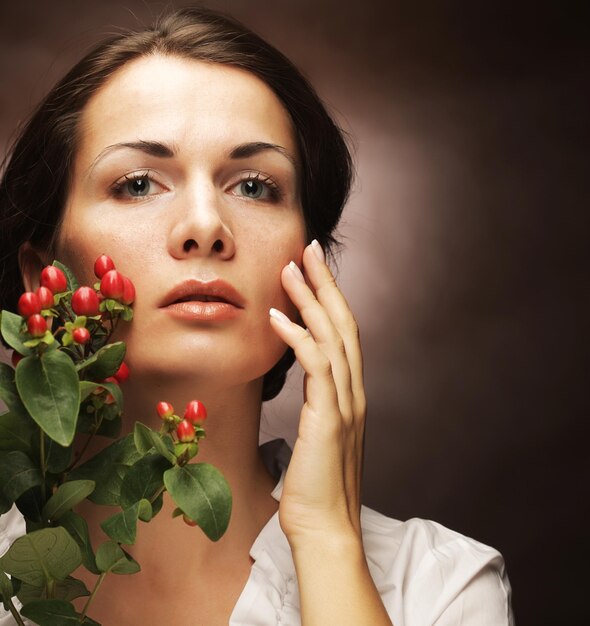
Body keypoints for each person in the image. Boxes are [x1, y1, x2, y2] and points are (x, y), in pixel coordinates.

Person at [0, 7, 513, 625]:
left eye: (254, 186)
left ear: (307, 264)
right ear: (42, 278)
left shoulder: (439, 589)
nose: (205, 227)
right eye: (138, 183)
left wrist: (327, 541)